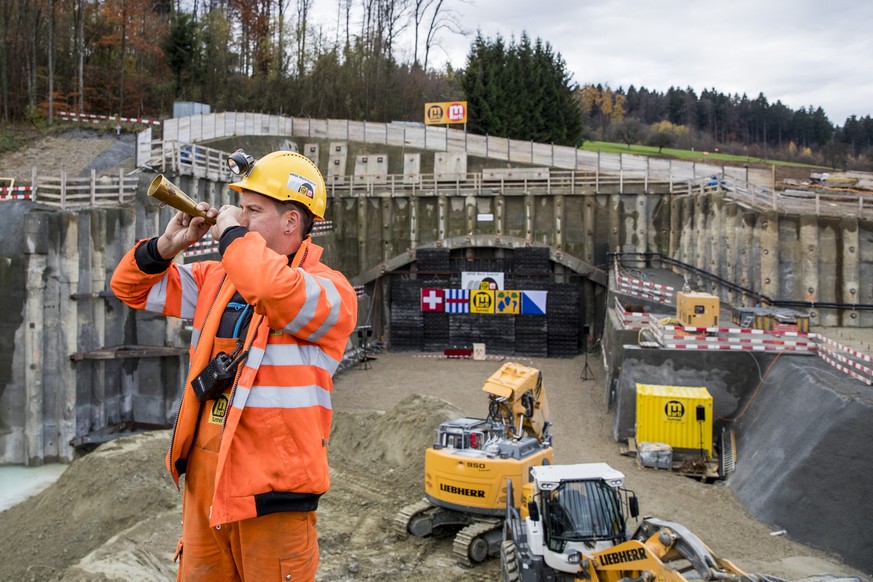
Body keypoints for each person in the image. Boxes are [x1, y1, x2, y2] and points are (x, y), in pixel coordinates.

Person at [110, 150, 358, 581]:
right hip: (206, 484)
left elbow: (272, 290)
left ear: (291, 222)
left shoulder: (331, 292)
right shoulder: (219, 279)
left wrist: (229, 235)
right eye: (239, 208)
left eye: (253, 210)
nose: (239, 217)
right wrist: (167, 247)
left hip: (273, 495)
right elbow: (130, 288)